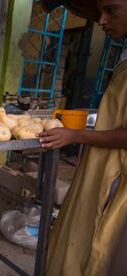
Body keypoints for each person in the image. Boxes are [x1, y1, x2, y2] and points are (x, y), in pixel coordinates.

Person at [37, 1, 127, 275]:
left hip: (117, 173)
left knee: (99, 240)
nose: (101, 20)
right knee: (80, 231)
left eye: (111, 11)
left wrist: (76, 134)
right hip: (103, 164)